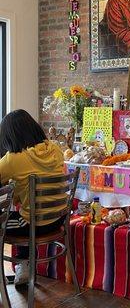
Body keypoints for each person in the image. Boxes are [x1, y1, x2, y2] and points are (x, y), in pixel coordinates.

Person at [0, 109, 67, 286]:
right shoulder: (55, 150)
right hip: (58, 219)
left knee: (16, 217)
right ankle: (25, 264)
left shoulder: (14, 159)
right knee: (24, 212)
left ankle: (17, 268)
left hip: (33, 225)